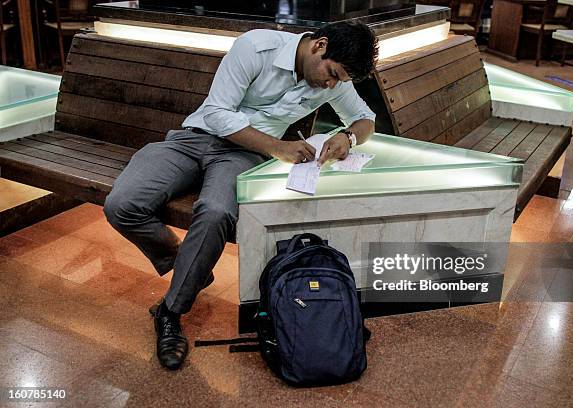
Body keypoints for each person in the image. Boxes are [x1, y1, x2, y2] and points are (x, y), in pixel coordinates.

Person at [103, 21, 379, 370]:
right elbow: (218, 114)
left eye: (339, 80)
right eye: (332, 74)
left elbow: (365, 118)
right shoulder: (257, 47)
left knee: (216, 212)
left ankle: (170, 312)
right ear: (319, 45)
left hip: (241, 157)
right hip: (195, 138)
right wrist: (279, 148)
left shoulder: (332, 81)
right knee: (121, 205)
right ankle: (192, 267)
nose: (331, 85)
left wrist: (348, 137)